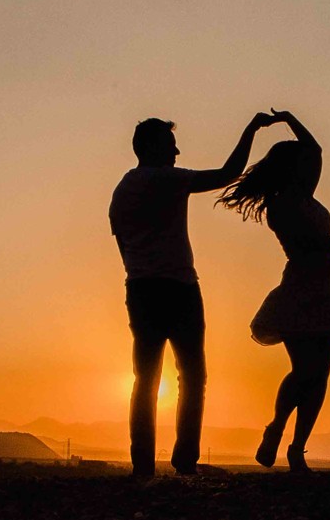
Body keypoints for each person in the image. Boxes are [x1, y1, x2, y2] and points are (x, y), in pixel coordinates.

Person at [110, 111, 275, 477]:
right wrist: (250, 130)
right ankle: (185, 461)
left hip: (140, 288)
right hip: (178, 288)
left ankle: (143, 465)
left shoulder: (122, 190)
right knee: (193, 375)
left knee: (146, 377)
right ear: (152, 147)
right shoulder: (164, 179)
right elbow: (227, 174)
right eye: (170, 145)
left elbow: (122, 242)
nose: (177, 151)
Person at [218, 110, 330, 472]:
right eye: (301, 163)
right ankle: (275, 428)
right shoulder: (281, 206)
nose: (310, 166)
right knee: (304, 371)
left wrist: (290, 117)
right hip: (299, 293)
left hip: (329, 291)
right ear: (290, 168)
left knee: (320, 377)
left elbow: (316, 148)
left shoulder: (306, 195)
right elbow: (311, 243)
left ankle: (297, 448)